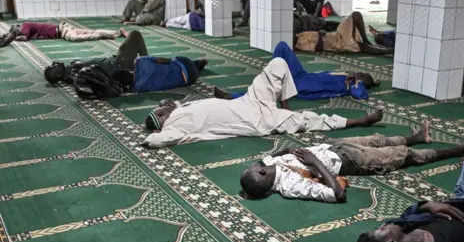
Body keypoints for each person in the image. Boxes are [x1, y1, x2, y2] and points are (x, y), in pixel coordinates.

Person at [141, 57, 383, 148]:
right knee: (306, 121)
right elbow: (156, 139)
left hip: (250, 100)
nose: (162, 106)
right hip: (253, 120)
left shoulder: (180, 109)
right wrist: (151, 135)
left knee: (278, 62)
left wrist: (168, 105)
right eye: (160, 110)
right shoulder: (175, 126)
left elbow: (168, 100)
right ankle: (359, 120)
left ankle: (286, 105)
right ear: (161, 118)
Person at [240, 122, 464, 203]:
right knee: (402, 156)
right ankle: (452, 152)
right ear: (261, 174)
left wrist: (288, 150)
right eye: (253, 167)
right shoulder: (290, 186)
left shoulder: (268, 164)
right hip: (349, 162)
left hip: (333, 146)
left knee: (377, 140)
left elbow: (277, 153)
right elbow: (338, 194)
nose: (255, 163)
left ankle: (419, 137)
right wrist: (314, 163)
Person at [216, 41, 380, 101]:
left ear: (363, 81)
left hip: (301, 86)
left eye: (364, 75)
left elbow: (361, 95)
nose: (361, 73)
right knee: (282, 47)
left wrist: (361, 83)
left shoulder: (351, 85)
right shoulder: (345, 76)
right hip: (303, 76)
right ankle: (269, 74)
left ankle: (233, 96)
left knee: (271, 90)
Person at [44, 30, 148, 84]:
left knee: (133, 40)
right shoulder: (73, 72)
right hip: (119, 64)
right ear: (57, 75)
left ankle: (146, 63)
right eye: (53, 67)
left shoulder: (71, 70)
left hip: (117, 63)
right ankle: (147, 64)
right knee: (135, 34)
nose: (55, 63)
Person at [295, 11, 393, 55]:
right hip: (338, 44)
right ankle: (387, 51)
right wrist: (320, 34)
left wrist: (320, 32)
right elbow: (318, 48)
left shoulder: (299, 35)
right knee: (360, 46)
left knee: (356, 15)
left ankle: (366, 40)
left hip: (337, 34)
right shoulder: (300, 44)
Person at [111, 56, 208, 93]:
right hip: (184, 63)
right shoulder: (140, 62)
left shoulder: (138, 87)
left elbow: (126, 90)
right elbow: (164, 60)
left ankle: (197, 68)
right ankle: (198, 62)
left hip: (189, 79)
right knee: (175, 62)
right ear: (127, 70)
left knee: (190, 71)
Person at [0, 22, 125, 47]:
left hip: (63, 31)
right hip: (63, 27)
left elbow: (25, 38)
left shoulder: (25, 26)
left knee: (76, 38)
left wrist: (14, 37)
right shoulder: (26, 26)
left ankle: (104, 35)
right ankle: (118, 33)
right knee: (91, 31)